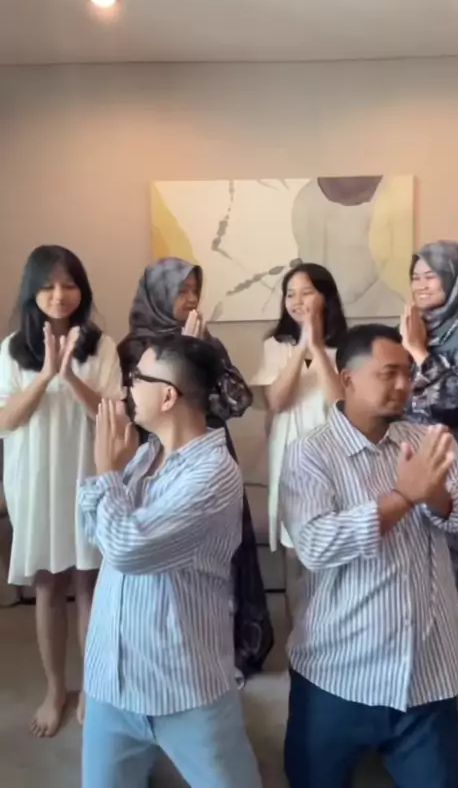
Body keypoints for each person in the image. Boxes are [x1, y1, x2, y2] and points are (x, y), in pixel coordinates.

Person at [280, 323, 458, 788]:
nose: (404, 385)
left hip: (426, 676)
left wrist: (430, 494)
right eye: (389, 373)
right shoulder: (310, 454)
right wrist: (402, 498)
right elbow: (316, 544)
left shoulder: (429, 439)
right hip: (337, 673)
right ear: (348, 379)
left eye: (408, 373)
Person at [79, 334, 263, 788]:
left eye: (137, 377)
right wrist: (110, 475)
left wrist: (107, 474)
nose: (128, 385)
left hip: (183, 685)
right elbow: (92, 530)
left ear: (167, 396)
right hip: (111, 679)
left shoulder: (213, 474)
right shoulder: (146, 453)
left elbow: (127, 549)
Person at [117, 257, 273, 680]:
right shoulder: (134, 348)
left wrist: (201, 350)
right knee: (167, 558)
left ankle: (236, 648)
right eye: (180, 290)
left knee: (226, 550)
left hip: (210, 454)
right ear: (158, 293)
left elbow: (238, 402)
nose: (189, 299)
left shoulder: (206, 340)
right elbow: (134, 410)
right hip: (158, 457)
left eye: (194, 290)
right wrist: (183, 363)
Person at [0, 245, 124, 737]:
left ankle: (92, 688)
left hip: (87, 476)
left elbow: (110, 415)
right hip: (35, 480)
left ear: (82, 290)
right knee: (48, 586)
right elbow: (6, 420)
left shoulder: (102, 346)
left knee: (88, 584)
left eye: (69, 284)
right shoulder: (12, 349)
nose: (59, 294)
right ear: (32, 290)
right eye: (48, 285)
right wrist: (46, 376)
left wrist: (69, 374)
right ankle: (55, 689)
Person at [401, 240, 458, 686]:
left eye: (431, 276)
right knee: (431, 561)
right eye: (415, 277)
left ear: (454, 278)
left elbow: (454, 398)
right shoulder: (424, 325)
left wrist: (417, 352)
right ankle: (442, 656)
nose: (421, 285)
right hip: (424, 453)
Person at [250, 263, 346, 619]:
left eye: (306, 292)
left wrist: (317, 348)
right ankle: (298, 641)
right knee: (293, 556)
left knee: (331, 554)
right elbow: (277, 401)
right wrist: (301, 345)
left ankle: (331, 637)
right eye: (290, 294)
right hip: (288, 458)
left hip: (332, 460)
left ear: (325, 297)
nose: (296, 301)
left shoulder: (346, 347)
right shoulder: (275, 346)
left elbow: (341, 405)